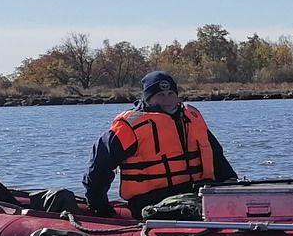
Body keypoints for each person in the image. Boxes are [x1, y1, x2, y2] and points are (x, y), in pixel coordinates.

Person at [84, 71, 237, 218]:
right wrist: (100, 207)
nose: (167, 100)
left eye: (171, 94)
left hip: (196, 193)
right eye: (160, 95)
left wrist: (232, 186)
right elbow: (99, 167)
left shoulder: (192, 118)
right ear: (148, 99)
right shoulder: (130, 127)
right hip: (151, 202)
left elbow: (217, 158)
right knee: (189, 210)